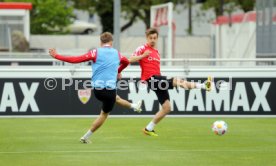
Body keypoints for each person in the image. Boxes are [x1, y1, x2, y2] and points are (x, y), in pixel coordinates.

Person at [49, 32, 140, 143]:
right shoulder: (117, 53)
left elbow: (75, 60)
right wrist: (118, 71)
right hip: (110, 90)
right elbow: (126, 62)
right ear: (112, 42)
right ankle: (85, 137)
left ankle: (134, 106)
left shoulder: (95, 52)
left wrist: (56, 56)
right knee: (104, 114)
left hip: (97, 91)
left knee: (116, 98)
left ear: (101, 42)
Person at [129, 28, 212, 136]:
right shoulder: (142, 48)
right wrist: (143, 56)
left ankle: (149, 128)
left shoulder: (156, 52)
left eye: (155, 38)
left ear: (157, 38)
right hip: (151, 79)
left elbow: (155, 68)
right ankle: (204, 85)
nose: (153, 40)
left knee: (167, 108)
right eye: (150, 38)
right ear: (147, 38)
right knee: (177, 81)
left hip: (157, 78)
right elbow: (130, 60)